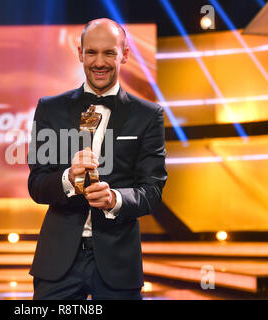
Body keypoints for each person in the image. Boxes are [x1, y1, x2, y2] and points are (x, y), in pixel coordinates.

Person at [27, 18, 167, 300]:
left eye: (109, 53)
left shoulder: (149, 115)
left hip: (118, 263)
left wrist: (115, 199)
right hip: (57, 264)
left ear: (124, 55)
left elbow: (152, 190)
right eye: (91, 52)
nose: (99, 62)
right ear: (80, 53)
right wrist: (68, 179)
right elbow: (37, 184)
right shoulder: (49, 109)